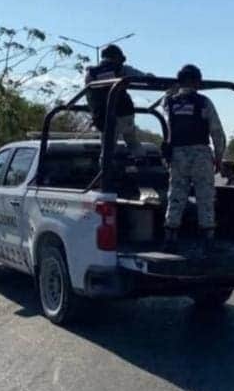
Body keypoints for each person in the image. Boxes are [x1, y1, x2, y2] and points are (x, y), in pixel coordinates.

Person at [162, 64, 226, 254]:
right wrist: (219, 157)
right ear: (197, 81)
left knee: (176, 194)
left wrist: (173, 89)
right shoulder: (204, 102)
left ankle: (170, 237)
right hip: (200, 154)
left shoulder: (169, 102)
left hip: (178, 154)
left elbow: (164, 101)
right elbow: (217, 132)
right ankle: (208, 239)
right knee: (205, 195)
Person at [84, 44, 152, 160]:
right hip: (125, 113)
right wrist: (151, 77)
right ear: (117, 57)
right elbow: (144, 78)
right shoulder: (122, 69)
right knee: (132, 141)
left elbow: (90, 95)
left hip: (104, 117)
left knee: (107, 150)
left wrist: (95, 116)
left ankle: (106, 170)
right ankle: (141, 162)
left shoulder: (91, 73)